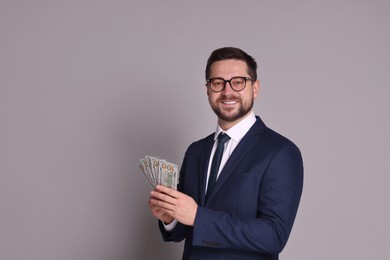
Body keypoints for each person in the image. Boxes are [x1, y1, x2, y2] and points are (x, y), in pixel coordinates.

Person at [148, 47, 304, 260]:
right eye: (218, 83)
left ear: (255, 88)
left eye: (238, 82)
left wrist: (198, 217)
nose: (227, 91)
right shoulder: (195, 151)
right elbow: (184, 231)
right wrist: (170, 218)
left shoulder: (281, 152)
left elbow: (274, 236)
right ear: (208, 89)